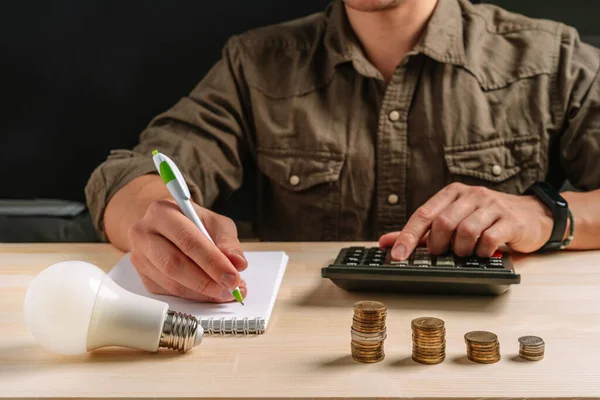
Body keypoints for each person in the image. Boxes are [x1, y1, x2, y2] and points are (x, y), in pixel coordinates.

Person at [85, 0, 600, 303]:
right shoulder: (257, 63)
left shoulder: (551, 58)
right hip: (297, 359)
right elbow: (130, 173)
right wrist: (150, 221)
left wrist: (547, 214)